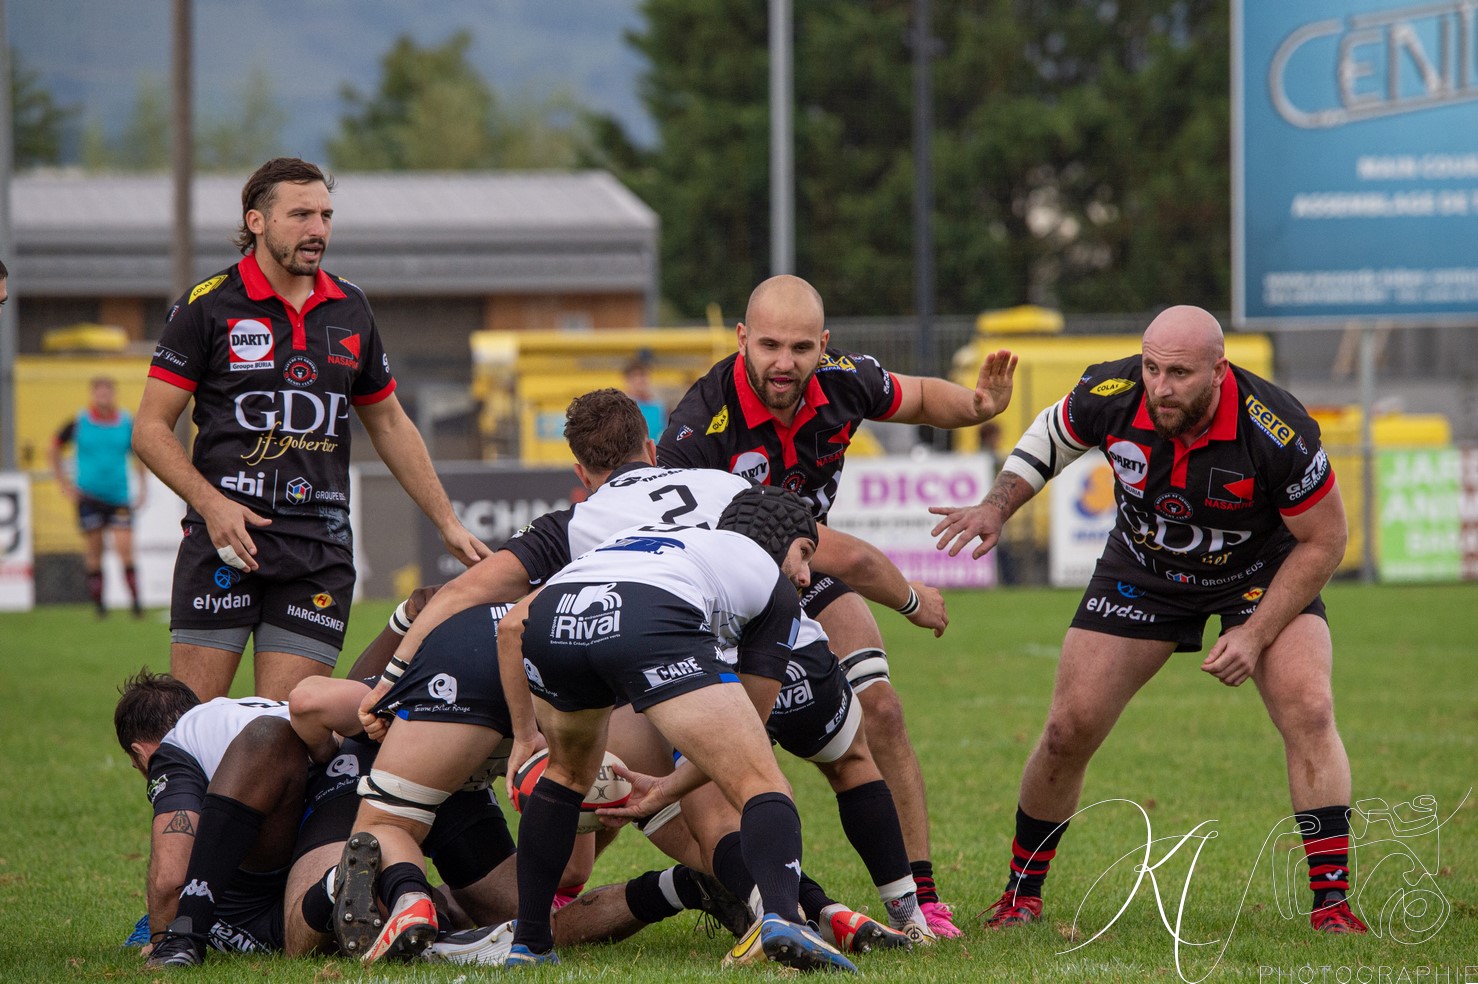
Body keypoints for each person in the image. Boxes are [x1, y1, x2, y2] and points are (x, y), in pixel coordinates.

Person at [929, 305, 1366, 934]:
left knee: (1310, 707)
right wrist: (998, 506)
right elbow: (1050, 435)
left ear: (1219, 371)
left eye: (1180, 374)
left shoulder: (1277, 428)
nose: (1160, 386)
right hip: (1145, 570)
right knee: (1067, 728)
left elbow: (1326, 541)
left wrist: (1255, 632)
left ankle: (1333, 907)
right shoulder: (1115, 390)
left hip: (1260, 575)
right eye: (1153, 367)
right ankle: (1020, 896)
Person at [656, 273, 1016, 937]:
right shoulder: (697, 427)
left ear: (823, 345)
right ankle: (750, 888)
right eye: (768, 346)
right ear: (742, 340)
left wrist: (978, 405)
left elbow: (920, 398)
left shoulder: (843, 379)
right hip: (727, 593)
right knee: (729, 742)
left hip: (803, 571)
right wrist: (911, 599)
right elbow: (696, 548)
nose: (784, 363)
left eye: (800, 347)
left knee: (881, 706)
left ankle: (921, 897)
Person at [132, 157, 488, 702]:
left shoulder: (351, 307)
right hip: (225, 541)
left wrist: (447, 521)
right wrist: (213, 505)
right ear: (257, 222)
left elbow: (389, 421)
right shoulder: (205, 307)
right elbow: (151, 429)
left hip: (317, 549)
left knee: (281, 736)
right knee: (192, 731)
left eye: (325, 215)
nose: (317, 229)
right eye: (300, 215)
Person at [496, 486, 856, 971]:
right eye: (804, 554)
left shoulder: (648, 538)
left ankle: (530, 945)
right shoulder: (769, 581)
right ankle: (782, 918)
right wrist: (677, 782)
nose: (805, 573)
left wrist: (525, 736)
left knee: (565, 776)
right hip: (651, 614)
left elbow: (512, 625)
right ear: (780, 540)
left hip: (557, 618)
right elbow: (751, 720)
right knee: (761, 779)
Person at [51, 376, 148, 616]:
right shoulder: (79, 422)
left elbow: (139, 454)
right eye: (99, 393)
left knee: (125, 549)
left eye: (108, 392)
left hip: (119, 497)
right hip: (89, 497)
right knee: (94, 552)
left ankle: (136, 604)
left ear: (114, 395)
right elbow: (52, 448)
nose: (103, 397)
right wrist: (64, 484)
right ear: (92, 395)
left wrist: (143, 488)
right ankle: (99, 605)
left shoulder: (126, 422)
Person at [621, 354, 666, 440]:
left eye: (643, 375)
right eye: (635, 376)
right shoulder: (622, 406)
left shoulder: (659, 406)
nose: (640, 380)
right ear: (627, 379)